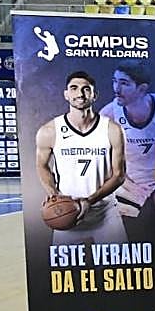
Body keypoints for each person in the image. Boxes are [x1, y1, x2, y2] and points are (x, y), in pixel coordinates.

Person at [35, 71, 127, 246]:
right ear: (66, 94)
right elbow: (41, 165)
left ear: (94, 95)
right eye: (74, 88)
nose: (80, 94)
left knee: (116, 270)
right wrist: (53, 195)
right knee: (66, 272)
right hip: (66, 212)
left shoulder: (112, 129)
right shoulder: (49, 131)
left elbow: (119, 175)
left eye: (86, 89)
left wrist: (88, 201)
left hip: (105, 212)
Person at [100, 62, 155, 223]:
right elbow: (103, 162)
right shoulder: (109, 114)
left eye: (124, 83)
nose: (116, 89)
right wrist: (131, 188)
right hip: (129, 187)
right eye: (115, 81)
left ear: (141, 88)